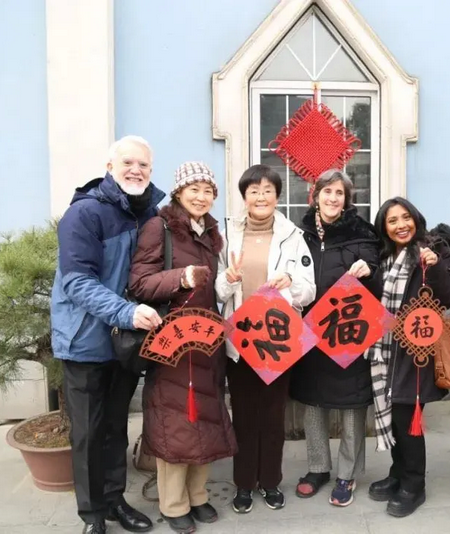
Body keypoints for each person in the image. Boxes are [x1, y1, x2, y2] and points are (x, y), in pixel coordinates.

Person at [51, 135, 165, 534]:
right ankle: (92, 514)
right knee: (87, 433)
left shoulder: (149, 214)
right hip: (85, 341)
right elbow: (77, 282)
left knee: (116, 426)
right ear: (110, 167)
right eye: (128, 163)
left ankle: (115, 500)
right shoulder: (85, 214)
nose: (136, 170)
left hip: (126, 343)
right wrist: (127, 312)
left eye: (143, 165)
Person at [129, 162, 238, 534]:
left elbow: (213, 289)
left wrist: (227, 280)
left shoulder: (211, 233)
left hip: (206, 340)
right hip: (172, 343)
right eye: (194, 189)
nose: (201, 197)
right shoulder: (158, 227)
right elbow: (139, 283)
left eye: (208, 190)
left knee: (205, 419)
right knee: (176, 421)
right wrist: (181, 277)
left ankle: (197, 495)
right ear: (178, 192)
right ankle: (173, 504)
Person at [215, 164, 316, 514]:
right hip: (240, 342)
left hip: (277, 341)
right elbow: (217, 290)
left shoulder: (293, 236)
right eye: (254, 191)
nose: (261, 197)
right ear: (244, 196)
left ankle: (270, 481)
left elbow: (308, 290)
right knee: (243, 416)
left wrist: (290, 283)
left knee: (273, 416)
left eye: (268, 191)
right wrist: (229, 279)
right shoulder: (227, 235)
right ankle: (244, 483)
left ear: (277, 196)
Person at [289, 169, 381, 507]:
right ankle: (318, 468)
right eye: (327, 191)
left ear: (346, 199)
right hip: (310, 329)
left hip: (348, 329)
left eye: (339, 193)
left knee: (351, 405)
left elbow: (378, 274)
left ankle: (347, 473)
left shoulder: (362, 233)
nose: (332, 198)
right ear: (315, 195)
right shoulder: (298, 234)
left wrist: (369, 271)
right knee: (313, 402)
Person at [366, 197, 450, 518]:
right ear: (384, 227)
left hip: (416, 351)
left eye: (406, 217)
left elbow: (448, 297)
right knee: (394, 415)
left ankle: (414, 484)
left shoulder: (433, 249)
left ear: (416, 219)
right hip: (385, 348)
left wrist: (434, 267)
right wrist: (363, 275)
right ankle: (398, 472)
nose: (401, 225)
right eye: (392, 221)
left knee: (407, 417)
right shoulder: (384, 257)